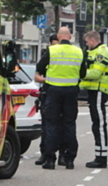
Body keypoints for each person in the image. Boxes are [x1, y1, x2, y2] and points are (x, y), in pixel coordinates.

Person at [35, 27, 86, 170]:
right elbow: (82, 73)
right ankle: (69, 159)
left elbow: (39, 68)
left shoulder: (52, 50)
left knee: (52, 124)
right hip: (71, 92)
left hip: (53, 91)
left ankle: (50, 159)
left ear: (59, 36)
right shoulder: (79, 52)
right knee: (69, 124)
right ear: (70, 36)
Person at [81, 30, 108, 169]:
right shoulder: (93, 52)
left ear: (93, 40)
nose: (86, 44)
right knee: (96, 123)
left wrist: (79, 75)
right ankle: (99, 155)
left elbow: (95, 73)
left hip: (99, 90)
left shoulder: (102, 52)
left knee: (99, 124)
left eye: (87, 42)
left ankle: (101, 158)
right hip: (94, 91)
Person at [35, 33, 60, 166]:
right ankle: (45, 153)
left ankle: (61, 154)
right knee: (47, 126)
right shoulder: (48, 55)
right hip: (49, 92)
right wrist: (48, 80)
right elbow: (37, 74)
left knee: (60, 125)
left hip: (60, 92)